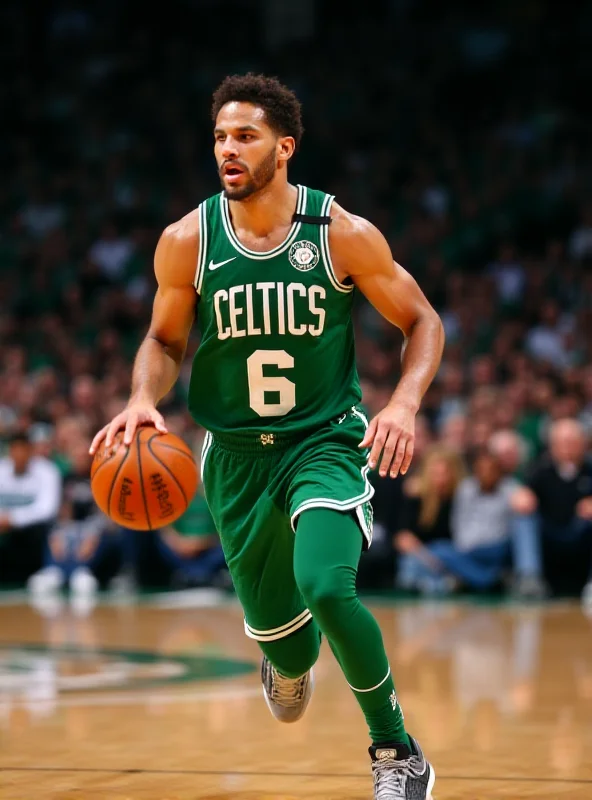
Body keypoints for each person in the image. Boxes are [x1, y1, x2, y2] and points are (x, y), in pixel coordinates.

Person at [90, 73, 444, 800]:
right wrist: (140, 399)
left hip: (324, 442)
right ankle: (286, 658)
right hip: (236, 459)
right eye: (220, 135)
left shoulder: (339, 233)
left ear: (283, 147)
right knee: (288, 642)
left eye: (245, 136)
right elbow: (162, 340)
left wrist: (404, 405)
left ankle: (397, 751)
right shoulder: (186, 241)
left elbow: (423, 322)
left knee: (327, 585)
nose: (228, 148)